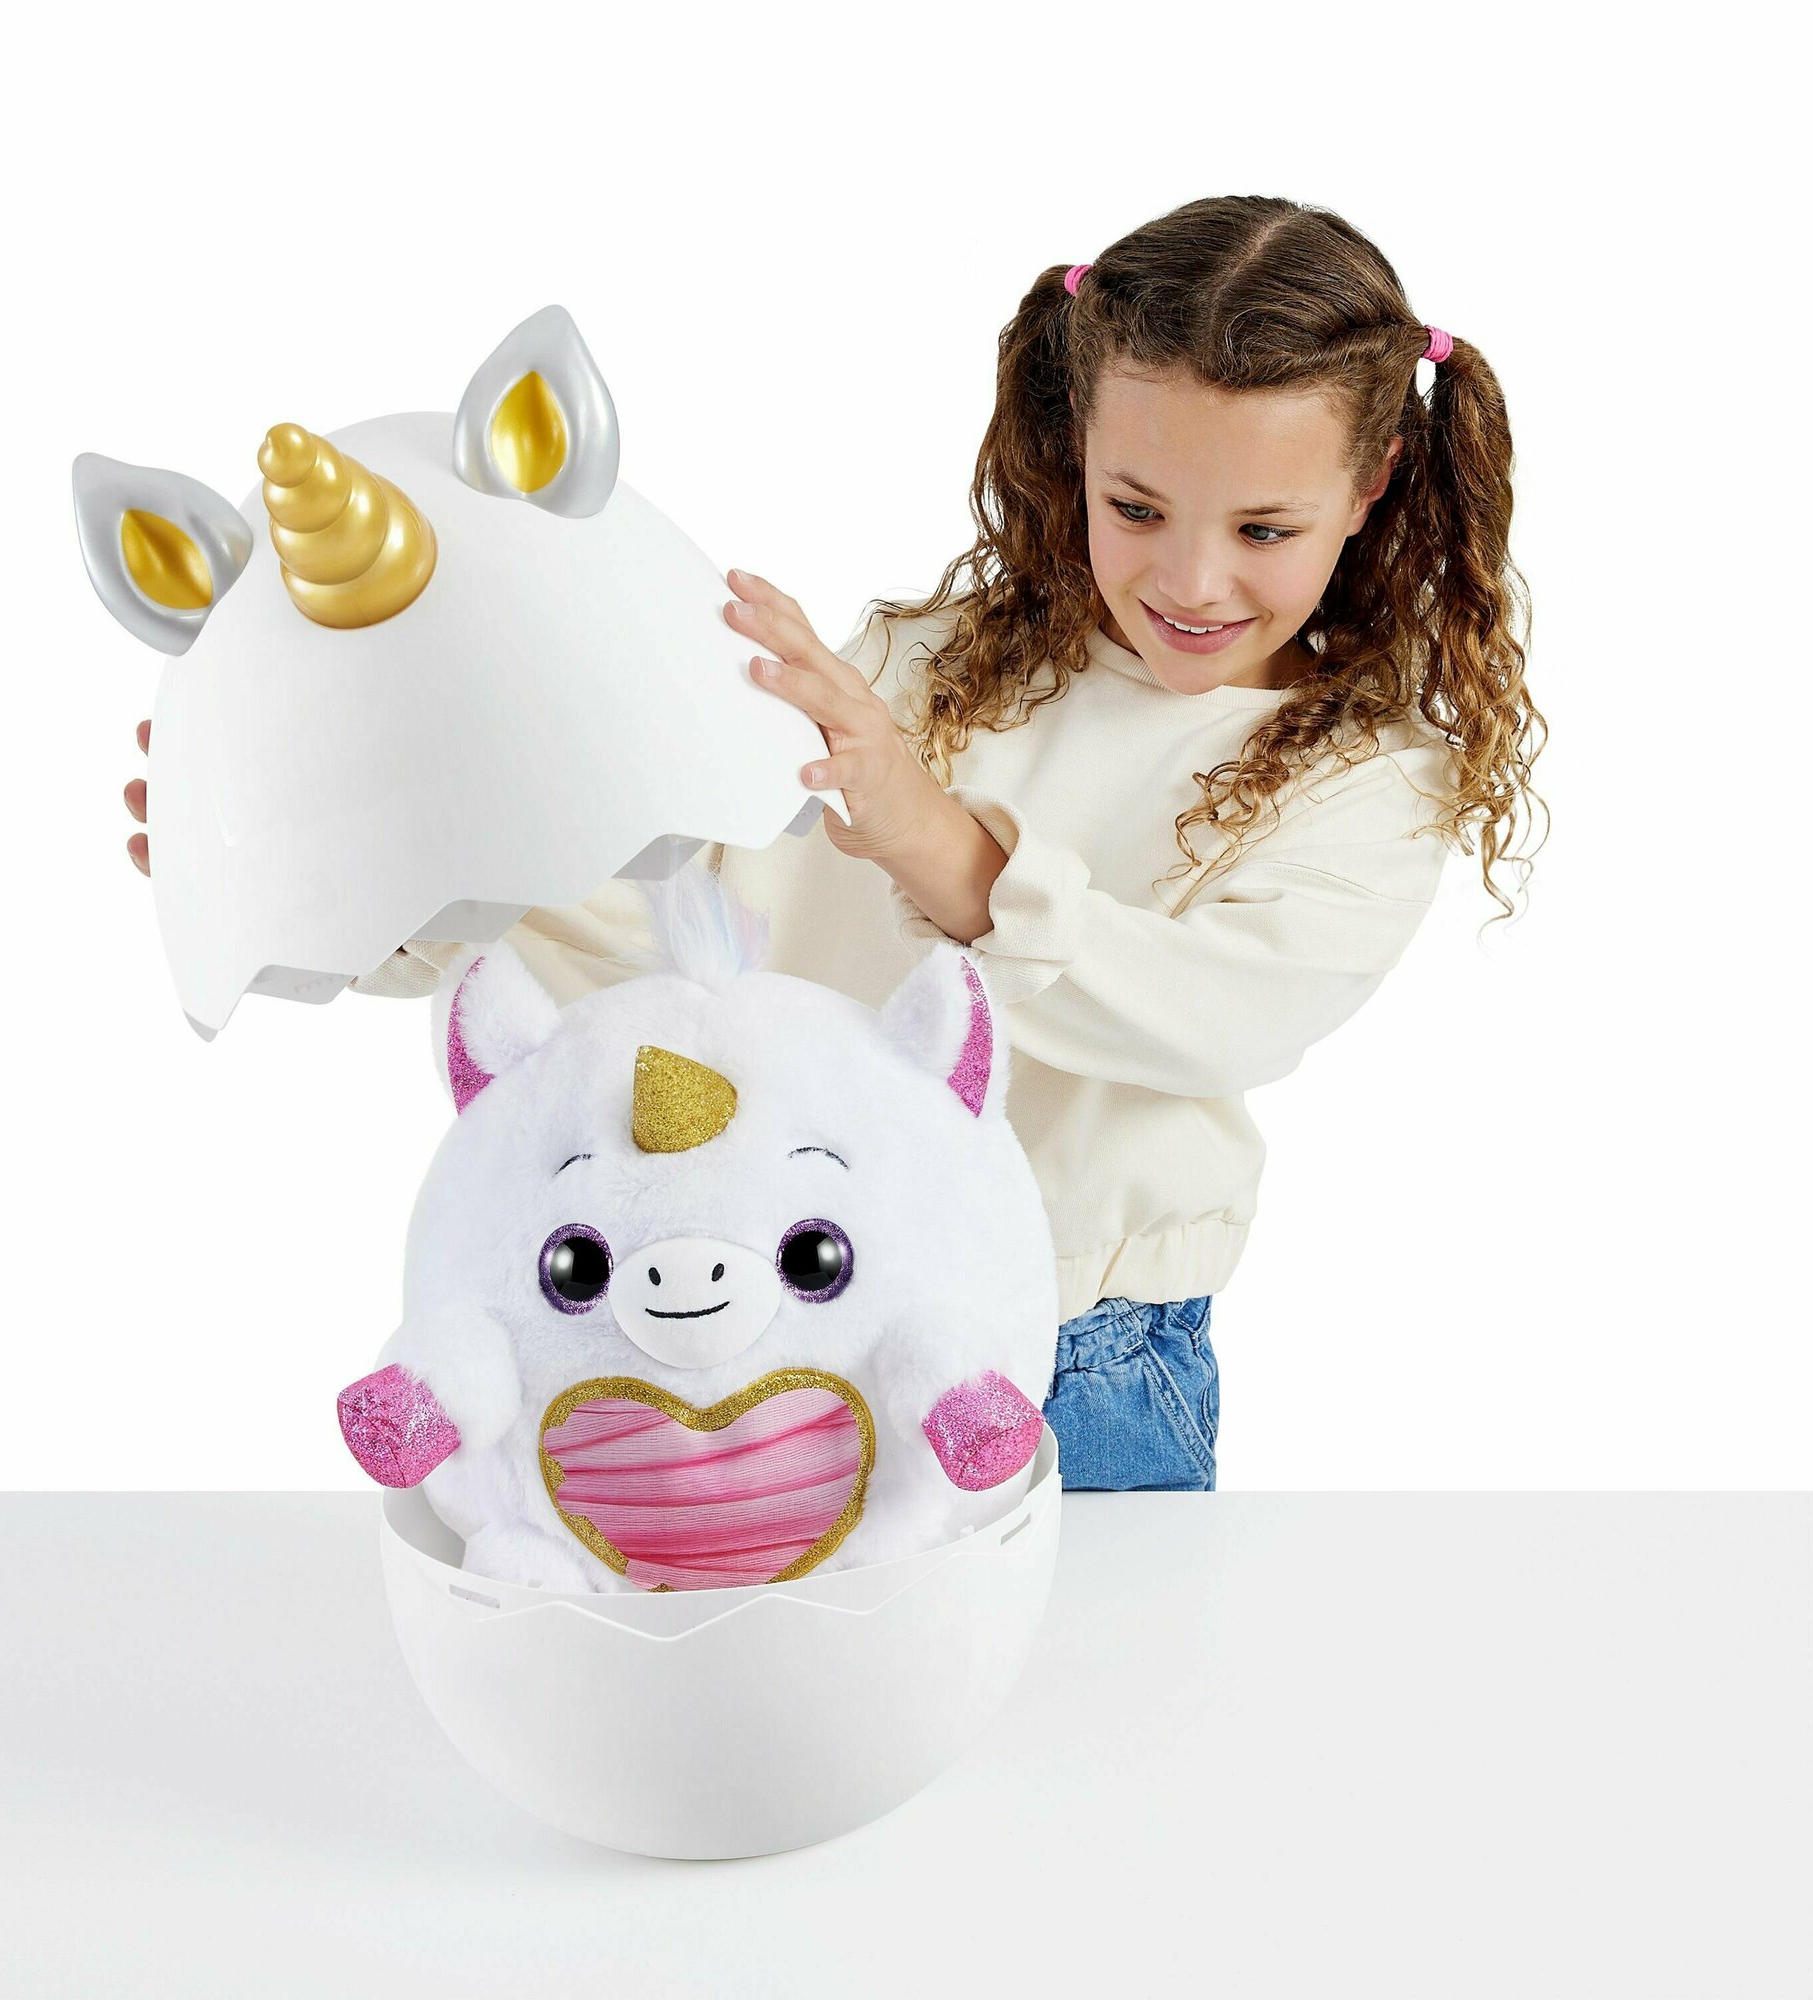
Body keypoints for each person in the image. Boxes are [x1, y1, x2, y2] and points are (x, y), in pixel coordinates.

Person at [124, 195, 1547, 1491]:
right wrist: (361, 879)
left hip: (1080, 1355)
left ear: (1374, 483)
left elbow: (1216, 1017)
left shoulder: (1371, 776)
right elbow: (676, 923)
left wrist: (939, 844)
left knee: (1091, 1685)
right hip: (787, 1311)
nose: (1191, 574)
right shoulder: (933, 668)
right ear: (1076, 445)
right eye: (1136, 507)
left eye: (1265, 527)